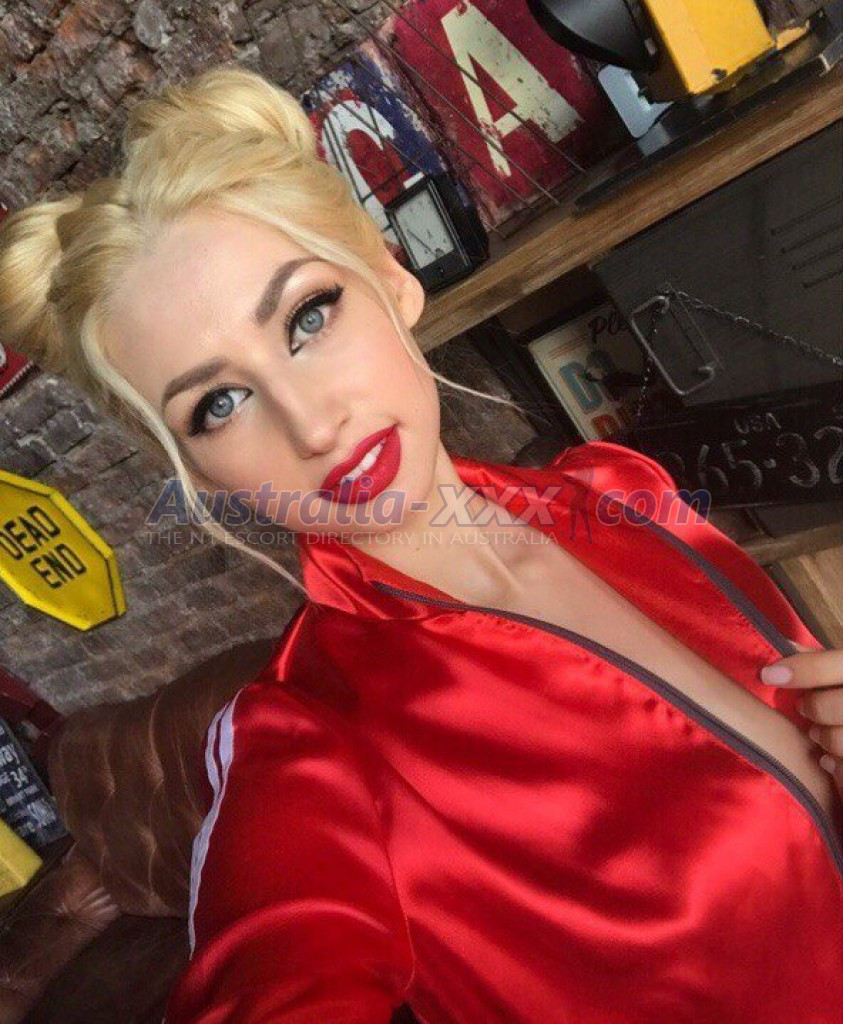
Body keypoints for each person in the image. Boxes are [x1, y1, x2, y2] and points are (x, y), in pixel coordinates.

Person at [1, 66, 841, 1024]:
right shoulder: (309, 739)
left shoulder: (617, 491)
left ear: (392, 277)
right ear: (196, 468)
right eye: (218, 404)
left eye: (307, 317)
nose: (312, 423)